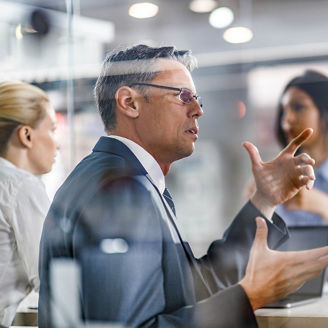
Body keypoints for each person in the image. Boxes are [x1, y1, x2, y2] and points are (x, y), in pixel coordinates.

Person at [39, 45, 328, 328]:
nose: (198, 110)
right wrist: (250, 297)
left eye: (198, 99)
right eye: (184, 96)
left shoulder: (127, 180)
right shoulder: (122, 190)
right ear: (130, 103)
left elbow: (193, 288)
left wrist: (265, 199)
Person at [0, 81, 59, 327]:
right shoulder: (22, 186)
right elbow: (51, 278)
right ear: (26, 135)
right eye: (52, 130)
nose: (58, 143)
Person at [275, 70, 328, 225]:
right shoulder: (280, 176)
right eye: (284, 109)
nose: (287, 119)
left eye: (298, 107)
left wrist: (324, 206)